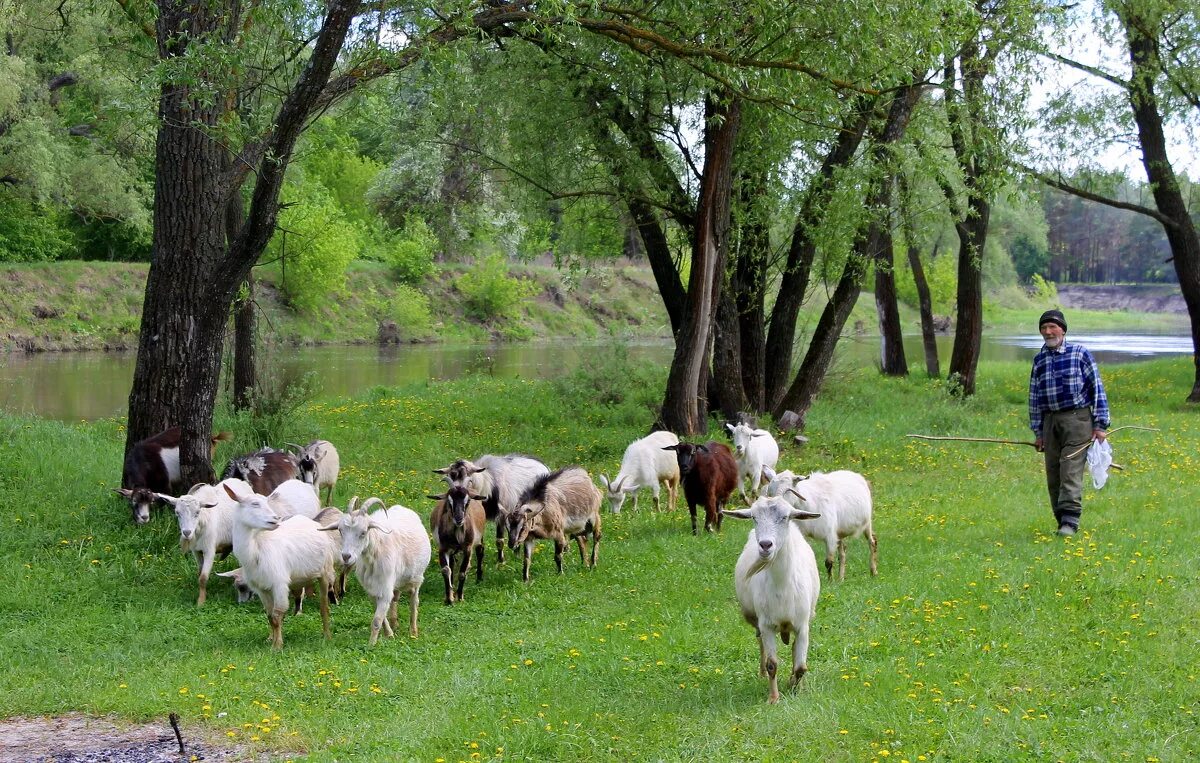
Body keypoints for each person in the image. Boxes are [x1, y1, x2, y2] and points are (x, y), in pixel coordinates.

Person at [1028, 309, 1110, 537]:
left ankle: (1070, 523)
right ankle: (1060, 519)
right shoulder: (1039, 360)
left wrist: (1100, 425)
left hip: (1078, 421)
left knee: (1070, 470)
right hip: (1050, 423)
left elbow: (1097, 389)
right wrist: (1038, 432)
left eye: (1052, 327)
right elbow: (1034, 398)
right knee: (1053, 473)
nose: (1048, 331)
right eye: (1044, 328)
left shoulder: (1079, 353)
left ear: (1063, 329)